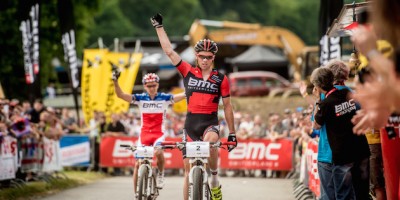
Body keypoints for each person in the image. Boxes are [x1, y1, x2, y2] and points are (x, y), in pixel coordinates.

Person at [151, 13, 237, 200]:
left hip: (210, 122)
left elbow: (228, 106)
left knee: (210, 143)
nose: (205, 60)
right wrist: (159, 27)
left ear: (213, 58)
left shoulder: (221, 79)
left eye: (208, 57)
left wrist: (232, 133)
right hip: (191, 124)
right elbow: (169, 51)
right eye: (201, 56)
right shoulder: (188, 71)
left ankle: (213, 177)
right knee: (188, 171)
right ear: (196, 56)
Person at [112, 71, 186, 193]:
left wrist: (192, 87)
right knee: (137, 164)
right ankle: (137, 193)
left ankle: (161, 174)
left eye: (154, 85)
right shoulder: (140, 98)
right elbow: (120, 95)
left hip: (158, 134)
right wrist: (115, 81)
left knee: (159, 152)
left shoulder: (165, 98)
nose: (152, 88)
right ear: (145, 86)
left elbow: (183, 95)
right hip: (144, 134)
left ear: (157, 85)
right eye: (149, 85)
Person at [311, 67, 370, 200]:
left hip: (343, 155)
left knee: (344, 194)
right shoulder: (347, 93)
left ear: (318, 86)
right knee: (361, 193)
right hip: (361, 149)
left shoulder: (325, 104)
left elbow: (316, 125)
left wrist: (317, 100)